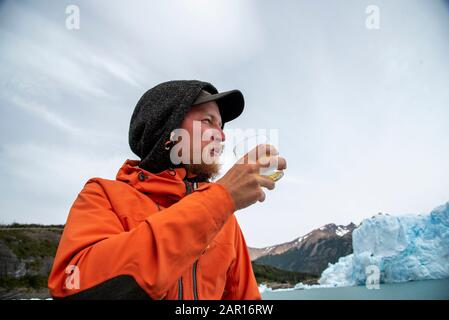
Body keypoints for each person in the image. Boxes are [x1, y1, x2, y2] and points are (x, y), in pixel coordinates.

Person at [48, 80, 286, 300]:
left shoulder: (226, 221)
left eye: (221, 126)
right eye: (207, 121)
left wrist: (220, 203)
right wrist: (220, 199)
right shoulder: (102, 195)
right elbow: (72, 287)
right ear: (167, 128)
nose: (222, 135)